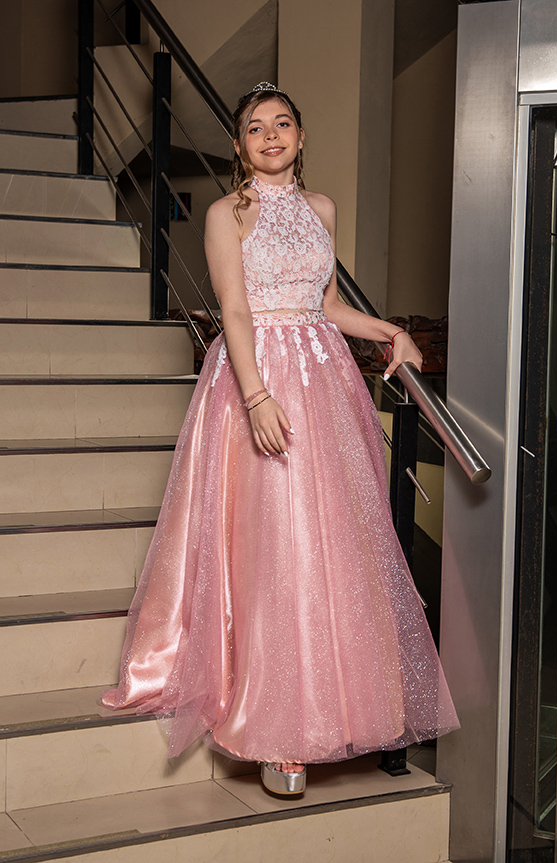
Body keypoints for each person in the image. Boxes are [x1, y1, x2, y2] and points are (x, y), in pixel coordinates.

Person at [101, 82, 459, 797]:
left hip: (323, 381)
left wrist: (389, 330)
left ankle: (341, 707)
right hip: (256, 378)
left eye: (282, 123)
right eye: (255, 127)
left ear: (299, 135)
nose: (270, 135)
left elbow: (325, 305)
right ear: (238, 146)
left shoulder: (321, 208)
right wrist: (257, 395)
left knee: (332, 543)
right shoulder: (226, 212)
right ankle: (277, 728)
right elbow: (234, 309)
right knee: (273, 542)